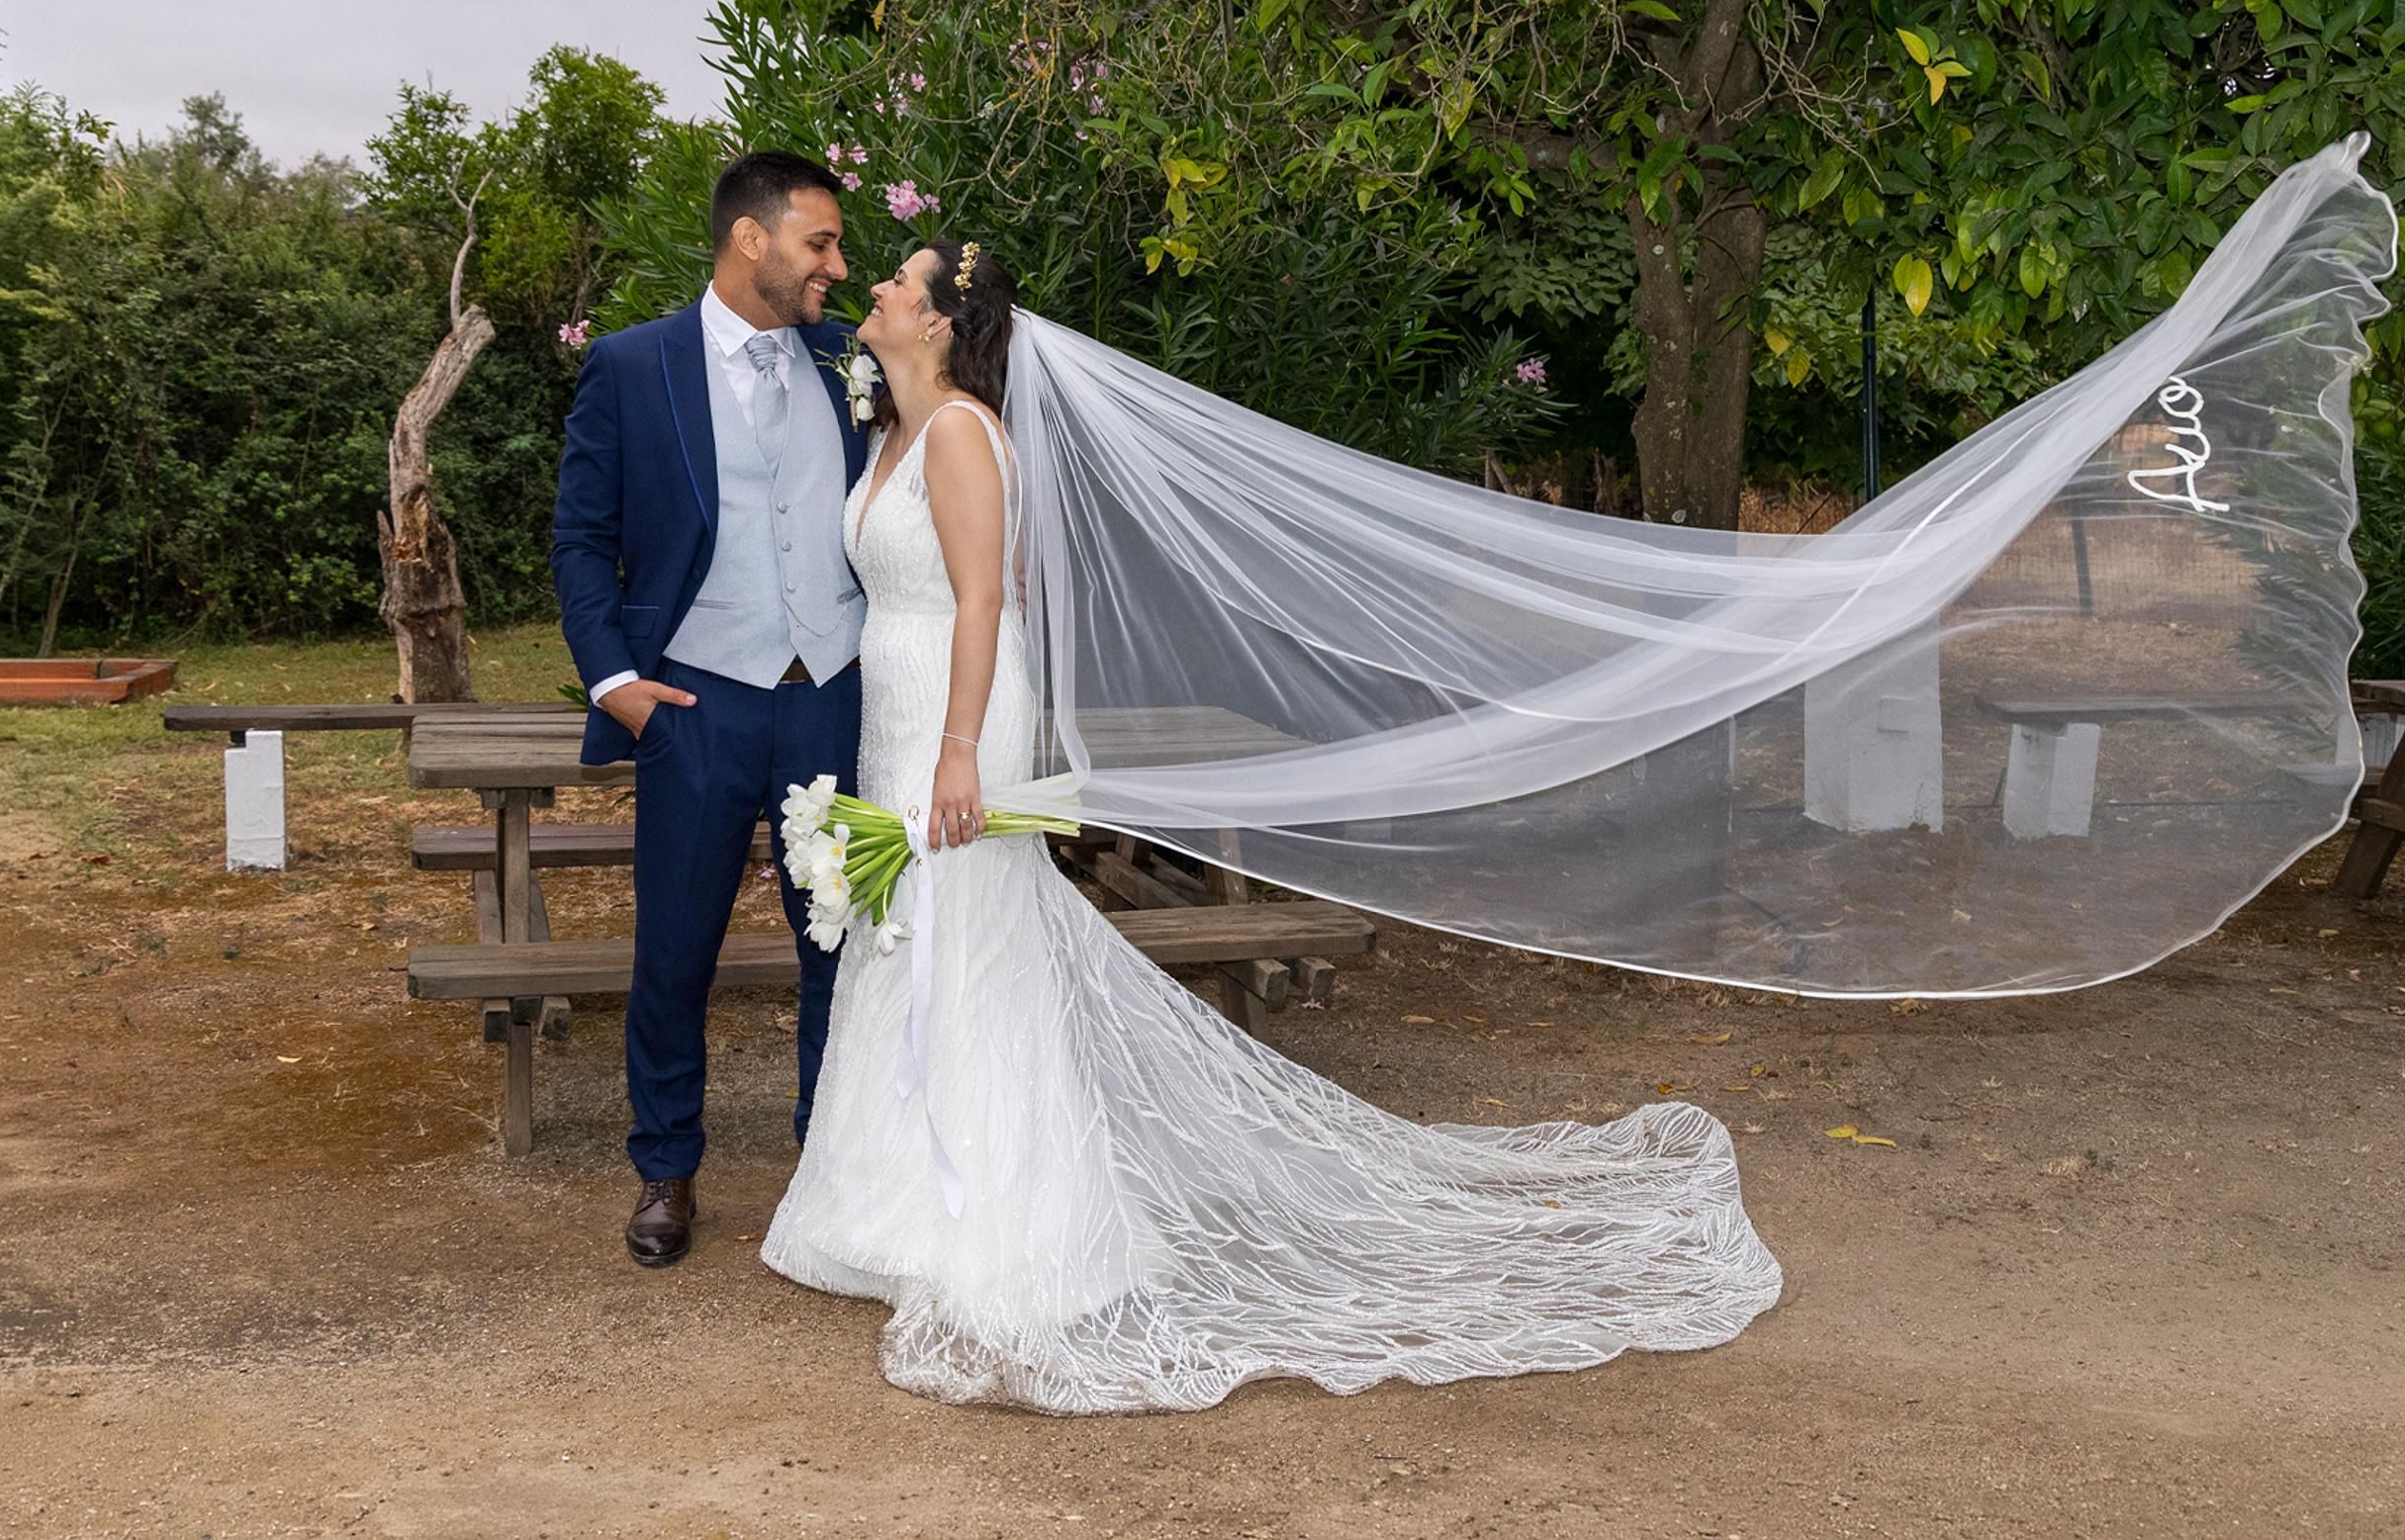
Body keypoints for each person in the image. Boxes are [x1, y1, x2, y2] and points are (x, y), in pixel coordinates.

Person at [759, 238, 1782, 1413]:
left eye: (900, 281)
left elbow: (986, 597)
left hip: (956, 715)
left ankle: (1008, 1226)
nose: (879, 288)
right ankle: (889, 1211)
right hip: (899, 706)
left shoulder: (955, 434)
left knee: (969, 943)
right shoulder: (892, 429)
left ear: (939, 323)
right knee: (910, 941)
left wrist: (956, 749)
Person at [551, 150, 869, 1267]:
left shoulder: (852, 360)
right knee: (675, 949)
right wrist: (616, 684)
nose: (837, 265)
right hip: (694, 701)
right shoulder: (633, 366)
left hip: (833, 695)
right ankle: (665, 1166)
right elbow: (581, 539)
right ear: (751, 239)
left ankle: (832, 1161)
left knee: (841, 942)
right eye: (820, 242)